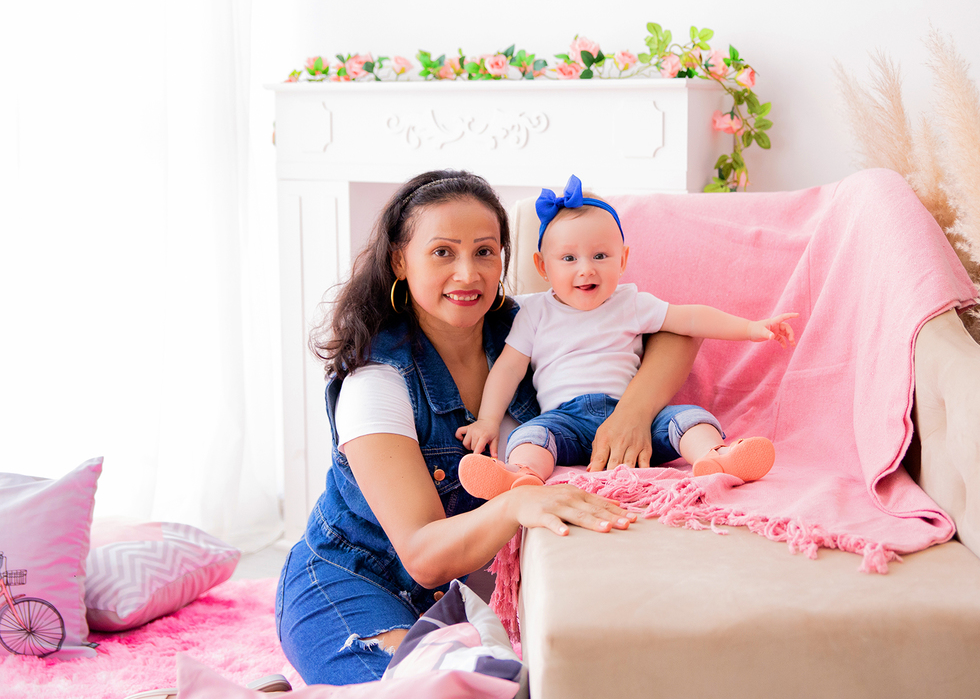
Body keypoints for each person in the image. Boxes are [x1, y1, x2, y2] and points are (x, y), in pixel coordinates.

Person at [274, 170, 704, 686]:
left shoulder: (524, 324)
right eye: (442, 253)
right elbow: (424, 555)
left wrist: (630, 415)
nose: (468, 273)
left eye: (484, 251)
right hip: (355, 585)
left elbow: (677, 331)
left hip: (467, 597)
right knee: (428, 692)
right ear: (399, 260)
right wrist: (517, 502)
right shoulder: (377, 380)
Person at [455, 175, 796, 500]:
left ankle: (716, 456)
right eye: (569, 258)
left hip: (633, 416)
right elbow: (508, 370)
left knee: (688, 417)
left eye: (600, 256)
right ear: (543, 267)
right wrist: (487, 420)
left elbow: (690, 317)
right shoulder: (534, 312)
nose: (586, 269)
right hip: (564, 419)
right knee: (529, 436)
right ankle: (521, 474)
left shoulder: (630, 303)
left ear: (623, 260)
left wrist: (752, 329)